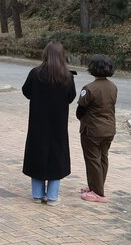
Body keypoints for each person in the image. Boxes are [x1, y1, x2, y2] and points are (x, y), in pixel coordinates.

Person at [22, 41, 76, 205]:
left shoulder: (35, 73)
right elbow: (71, 97)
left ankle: (37, 195)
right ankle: (52, 196)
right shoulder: (67, 76)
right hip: (58, 125)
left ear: (45, 54)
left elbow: (26, 91)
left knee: (37, 154)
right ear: (62, 56)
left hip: (38, 123)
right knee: (56, 156)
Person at [76, 54, 118, 202]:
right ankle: (96, 186)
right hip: (109, 128)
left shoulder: (89, 88)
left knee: (92, 159)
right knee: (103, 157)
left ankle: (98, 192)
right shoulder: (113, 87)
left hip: (92, 129)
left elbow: (80, 110)